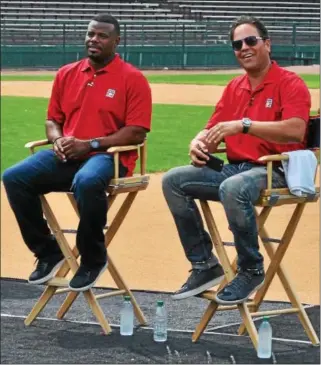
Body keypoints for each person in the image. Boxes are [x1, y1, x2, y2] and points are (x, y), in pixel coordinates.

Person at [162, 15, 311, 304]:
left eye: (251, 40)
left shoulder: (290, 83)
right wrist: (198, 141)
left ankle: (251, 269)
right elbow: (212, 128)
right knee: (173, 181)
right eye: (237, 44)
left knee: (233, 188)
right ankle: (204, 265)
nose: (244, 47)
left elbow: (296, 130)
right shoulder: (234, 87)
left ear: (267, 44)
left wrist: (244, 125)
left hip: (274, 169)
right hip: (235, 168)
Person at [3, 14, 152, 292]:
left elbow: (137, 132)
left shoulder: (133, 78)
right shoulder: (66, 73)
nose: (94, 39)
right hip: (67, 155)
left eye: (102, 36)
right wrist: (58, 140)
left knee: (87, 180)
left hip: (109, 157)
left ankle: (93, 259)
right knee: (14, 177)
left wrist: (90, 144)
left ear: (116, 41)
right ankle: (48, 251)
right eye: (91, 34)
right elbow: (52, 120)